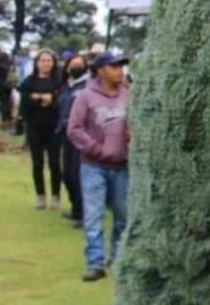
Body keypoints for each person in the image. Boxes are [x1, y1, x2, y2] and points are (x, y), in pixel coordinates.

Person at [67, 51, 130, 282]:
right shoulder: (85, 96)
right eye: (114, 67)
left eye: (121, 67)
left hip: (123, 167)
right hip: (94, 166)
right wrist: (96, 148)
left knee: (122, 215)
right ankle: (95, 263)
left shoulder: (129, 94)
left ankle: (118, 258)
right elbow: (74, 129)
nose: (119, 71)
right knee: (93, 216)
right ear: (101, 70)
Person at [20, 49, 62, 210]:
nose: (46, 63)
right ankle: (40, 195)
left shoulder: (59, 81)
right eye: (43, 60)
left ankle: (56, 196)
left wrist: (44, 98)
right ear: (37, 63)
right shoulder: (29, 82)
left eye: (49, 60)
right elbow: (25, 103)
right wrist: (43, 99)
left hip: (53, 127)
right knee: (37, 162)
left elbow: (59, 101)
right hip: (34, 127)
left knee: (54, 162)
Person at [57, 54, 89, 227]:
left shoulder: (88, 86)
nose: (75, 67)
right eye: (72, 64)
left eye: (79, 64)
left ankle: (84, 215)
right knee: (68, 175)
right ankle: (76, 209)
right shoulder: (67, 86)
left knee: (78, 175)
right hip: (65, 135)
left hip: (81, 136)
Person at [0, 49, 14, 127]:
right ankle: (9, 117)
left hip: (1, 86)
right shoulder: (10, 66)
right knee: (8, 102)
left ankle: (4, 118)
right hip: (9, 86)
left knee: (3, 102)